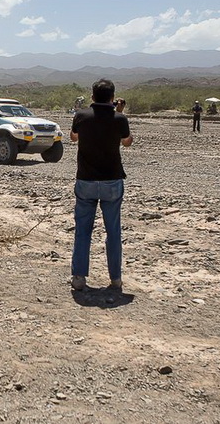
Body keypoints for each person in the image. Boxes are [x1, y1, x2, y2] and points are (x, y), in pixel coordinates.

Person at [70, 79, 133, 292]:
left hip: (86, 179)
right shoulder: (119, 119)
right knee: (113, 231)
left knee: (83, 231)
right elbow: (127, 141)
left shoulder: (81, 116)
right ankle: (115, 279)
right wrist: (120, 112)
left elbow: (73, 138)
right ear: (113, 97)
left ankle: (79, 277)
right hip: (112, 180)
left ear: (92, 96)